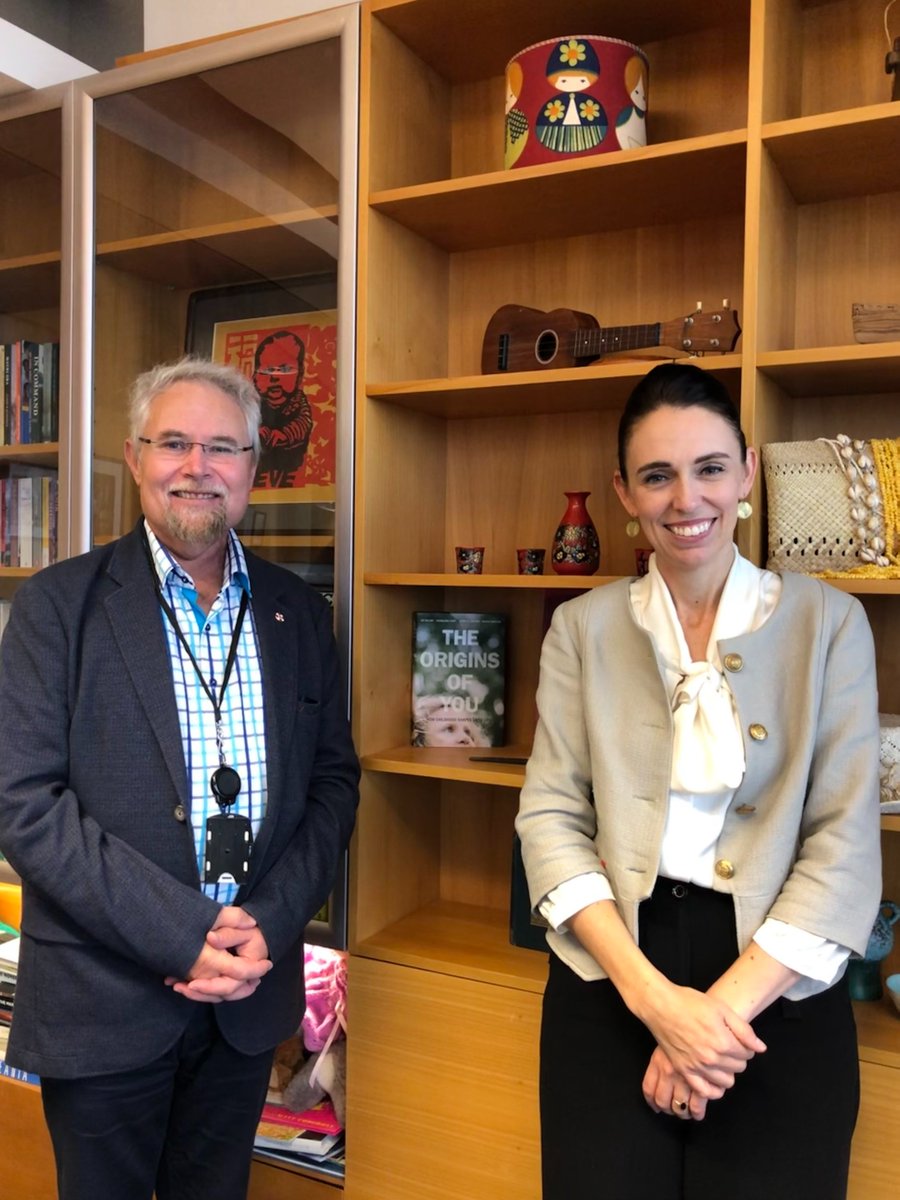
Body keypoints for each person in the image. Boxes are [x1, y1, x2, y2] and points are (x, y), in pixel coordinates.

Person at [516, 362, 882, 1200]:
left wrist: (712, 1022)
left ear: (748, 472)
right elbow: (550, 819)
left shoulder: (832, 625)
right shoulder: (580, 629)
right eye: (658, 475)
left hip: (777, 986)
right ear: (625, 492)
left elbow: (844, 843)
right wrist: (658, 1008)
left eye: (711, 467)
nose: (688, 499)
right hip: (611, 972)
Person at [0, 357, 359, 1200]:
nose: (198, 467)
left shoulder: (299, 614)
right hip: (104, 1000)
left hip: (244, 1000)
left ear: (252, 468)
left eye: (222, 448)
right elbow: (25, 804)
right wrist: (185, 934)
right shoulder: (58, 607)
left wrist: (265, 927)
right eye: (175, 444)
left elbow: (333, 786)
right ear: (134, 456)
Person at [253, 329, 314, 488]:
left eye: (285, 370)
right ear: (255, 377)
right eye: (267, 370)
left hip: (289, 466)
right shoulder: (252, 402)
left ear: (300, 376)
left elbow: (303, 423)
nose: (274, 377)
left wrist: (284, 435)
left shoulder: (298, 402)